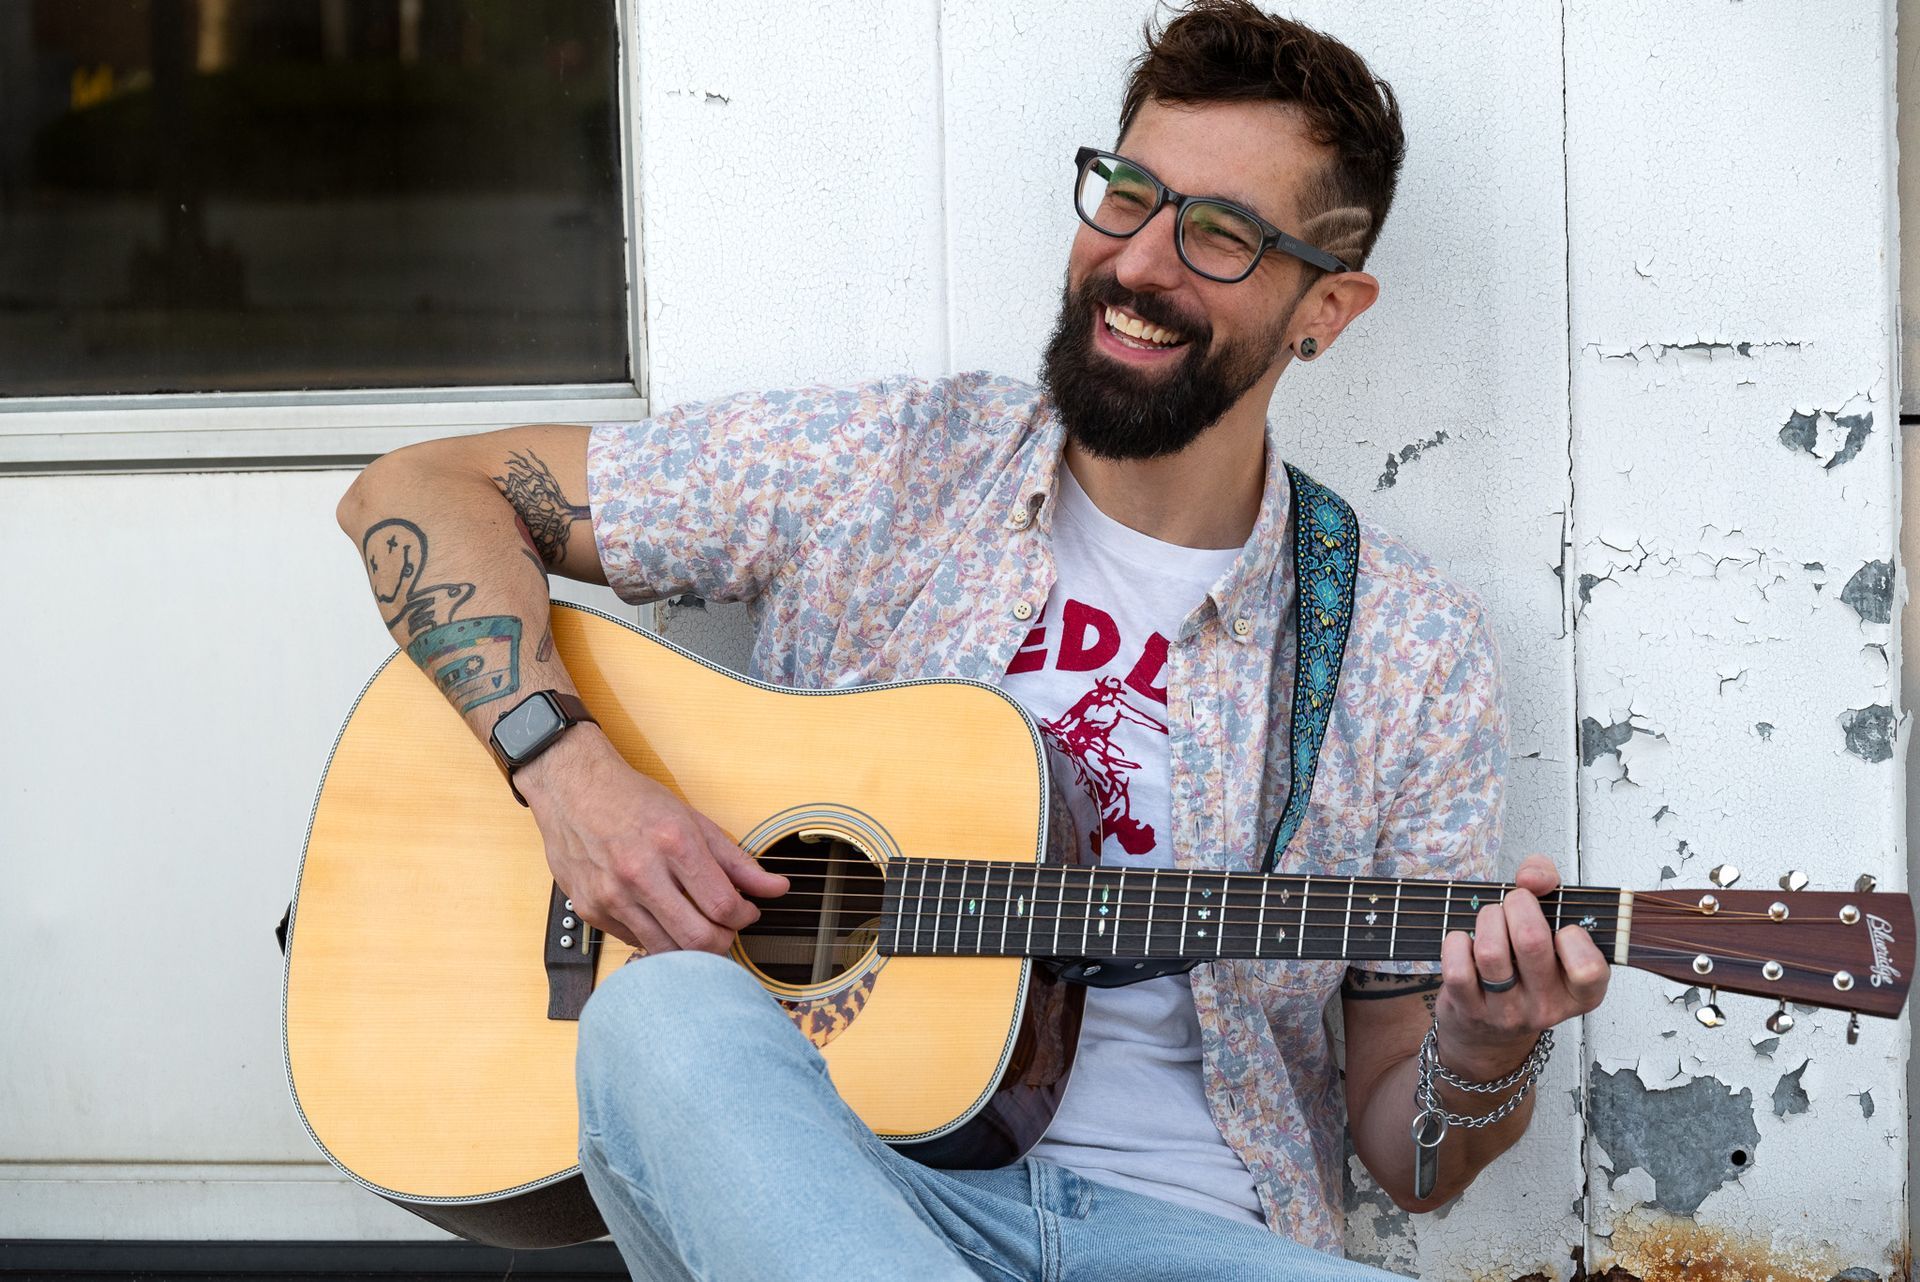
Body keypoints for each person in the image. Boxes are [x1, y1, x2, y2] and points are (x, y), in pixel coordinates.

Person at [335, 3, 1609, 1277]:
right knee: (663, 1013)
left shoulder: (1407, 647)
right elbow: (413, 491)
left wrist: (1486, 1054)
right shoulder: (887, 466)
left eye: (1217, 234)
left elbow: (1411, 1156)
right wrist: (569, 775)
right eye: (1126, 195)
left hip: (1198, 1233)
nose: (1140, 262)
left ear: (1326, 307)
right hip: (843, 1196)